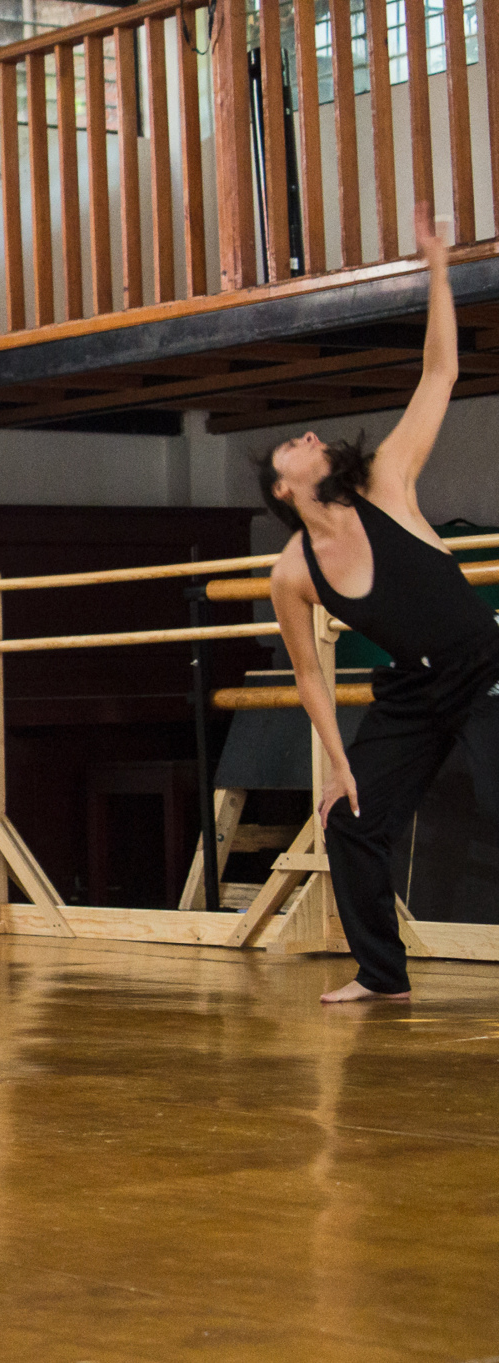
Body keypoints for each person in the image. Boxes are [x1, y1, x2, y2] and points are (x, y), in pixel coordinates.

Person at [260, 204, 493, 1005]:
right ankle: (380, 974)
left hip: (483, 663)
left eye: (309, 438)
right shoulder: (292, 571)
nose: (309, 438)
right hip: (415, 690)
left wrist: (438, 267)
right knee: (351, 821)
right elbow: (310, 676)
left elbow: (440, 375)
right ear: (284, 490)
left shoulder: (386, 481)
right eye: (293, 446)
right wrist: (338, 763)